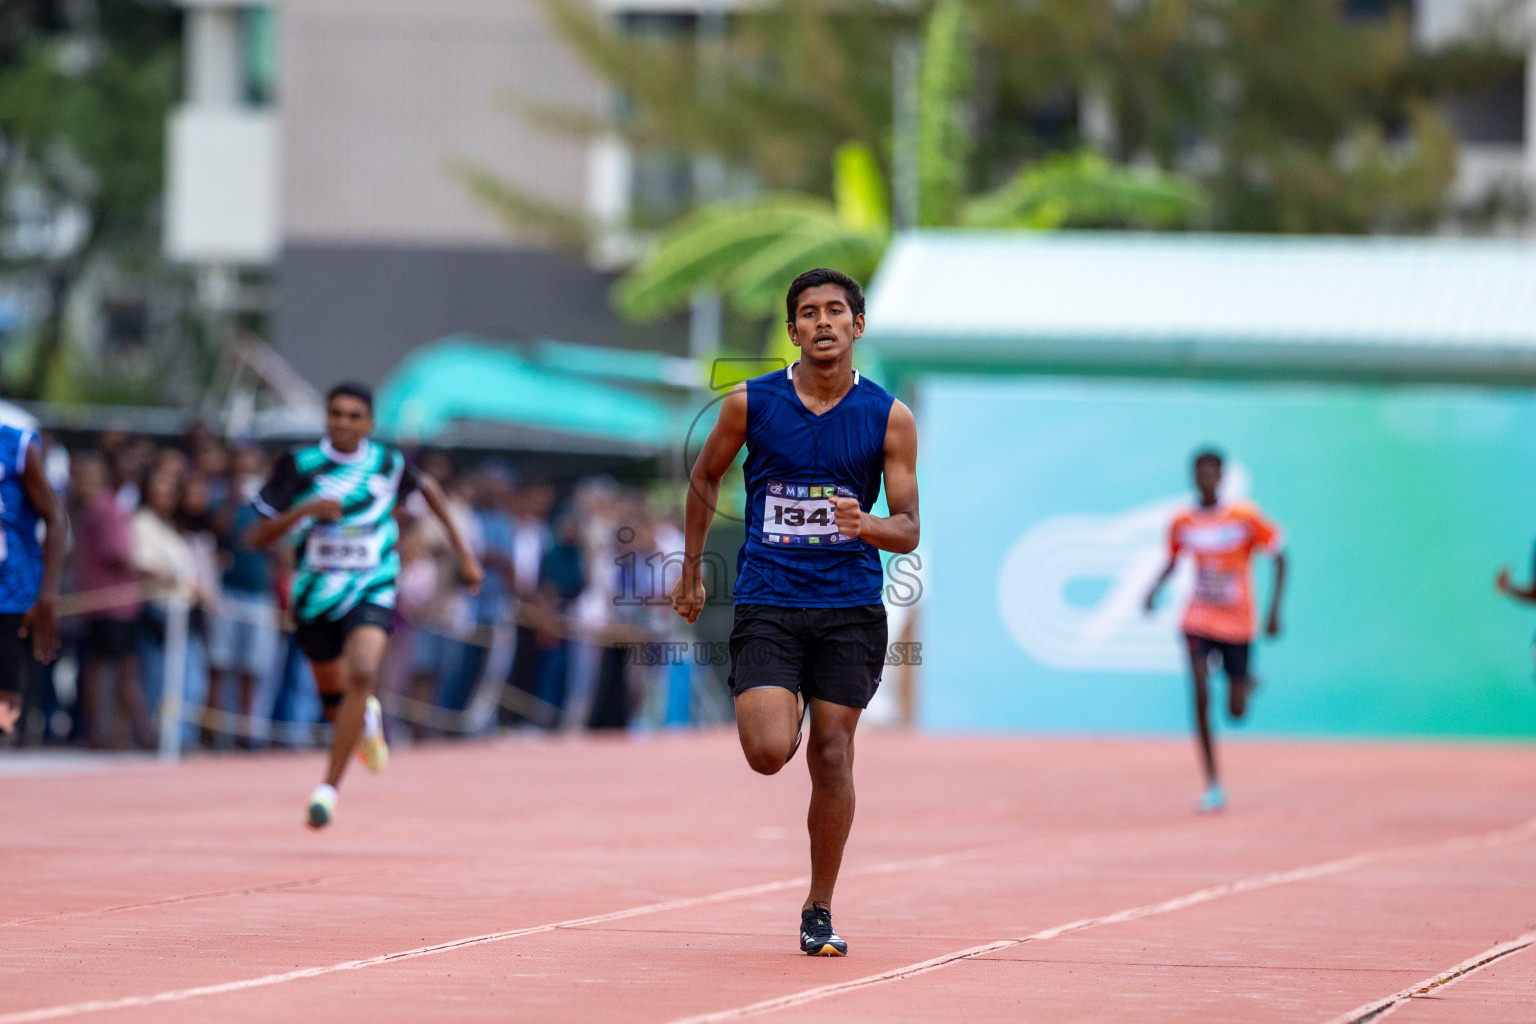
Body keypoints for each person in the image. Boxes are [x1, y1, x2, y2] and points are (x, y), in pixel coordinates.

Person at [671, 268, 920, 957]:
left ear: (857, 326)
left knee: (833, 753)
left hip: (846, 607)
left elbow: (909, 528)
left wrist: (863, 524)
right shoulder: (751, 403)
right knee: (769, 753)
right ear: (792, 331)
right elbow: (704, 476)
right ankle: (784, 708)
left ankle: (819, 906)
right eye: (808, 313)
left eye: (836, 311)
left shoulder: (888, 416)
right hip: (769, 601)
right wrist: (692, 570)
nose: (822, 323)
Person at [249, 383, 483, 828]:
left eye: (354, 416)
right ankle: (366, 722)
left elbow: (429, 490)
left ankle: (328, 789)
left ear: (369, 424)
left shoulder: (388, 464)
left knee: (361, 671)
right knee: (336, 704)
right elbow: (258, 535)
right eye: (336, 414)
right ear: (326, 418)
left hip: (371, 586)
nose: (344, 423)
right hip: (315, 596)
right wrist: (305, 512)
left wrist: (465, 554)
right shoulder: (300, 466)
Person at [1144, 450, 1287, 814]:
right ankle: (1213, 784)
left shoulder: (1244, 518)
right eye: (1198, 472)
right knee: (1200, 691)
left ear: (1222, 476)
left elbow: (1281, 556)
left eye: (1212, 472)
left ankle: (1247, 684)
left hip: (1238, 623)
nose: (1205, 478)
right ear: (1192, 476)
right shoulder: (1183, 521)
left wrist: (1273, 612)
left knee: (1236, 713)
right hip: (1198, 617)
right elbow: (1172, 560)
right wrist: (1151, 591)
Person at [0, 424, 65, 737]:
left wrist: (47, 597)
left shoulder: (17, 445)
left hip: (9, 596)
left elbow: (55, 517)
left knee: (4, 707)